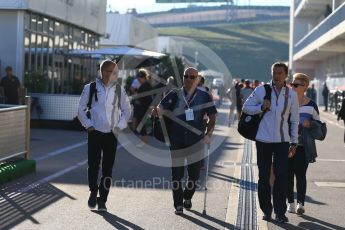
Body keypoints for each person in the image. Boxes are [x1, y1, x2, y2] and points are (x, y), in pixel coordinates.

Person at [152, 67, 217, 215]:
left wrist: (208, 134)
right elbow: (161, 107)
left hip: (196, 141)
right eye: (186, 76)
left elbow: (212, 118)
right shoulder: (174, 93)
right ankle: (178, 204)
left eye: (192, 77)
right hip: (177, 140)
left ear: (198, 79)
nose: (188, 79)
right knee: (177, 174)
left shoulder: (204, 96)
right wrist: (157, 111)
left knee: (194, 175)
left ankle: (187, 196)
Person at [243, 62, 299, 223]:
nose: (276, 76)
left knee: (282, 175)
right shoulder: (262, 90)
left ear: (286, 75)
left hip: (282, 141)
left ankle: (280, 212)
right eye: (274, 72)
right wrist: (261, 107)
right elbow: (247, 107)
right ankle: (267, 210)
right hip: (263, 140)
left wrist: (294, 142)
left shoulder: (291, 95)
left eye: (280, 73)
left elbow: (294, 120)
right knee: (265, 176)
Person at [78, 59, 131, 212]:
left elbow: (127, 110)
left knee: (108, 169)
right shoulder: (90, 88)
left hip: (111, 134)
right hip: (95, 132)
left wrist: (120, 126)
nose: (111, 74)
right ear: (101, 71)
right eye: (108, 71)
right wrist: (88, 125)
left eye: (113, 72)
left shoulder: (119, 89)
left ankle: (103, 200)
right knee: (93, 165)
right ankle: (93, 191)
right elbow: (80, 109)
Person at [287, 73, 321, 216]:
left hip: (302, 146)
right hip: (287, 145)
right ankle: (291, 203)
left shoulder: (312, 105)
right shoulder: (287, 101)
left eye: (297, 85)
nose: (293, 87)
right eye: (292, 84)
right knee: (288, 175)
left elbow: (319, 125)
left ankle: (301, 203)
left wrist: (310, 123)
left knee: (300, 175)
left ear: (305, 86)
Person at [132, 68, 153, 146]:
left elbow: (146, 97)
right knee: (140, 124)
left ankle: (144, 141)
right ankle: (144, 141)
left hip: (143, 108)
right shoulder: (145, 85)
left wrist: (138, 100)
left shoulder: (146, 86)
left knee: (141, 124)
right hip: (142, 108)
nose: (138, 80)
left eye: (139, 78)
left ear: (143, 77)